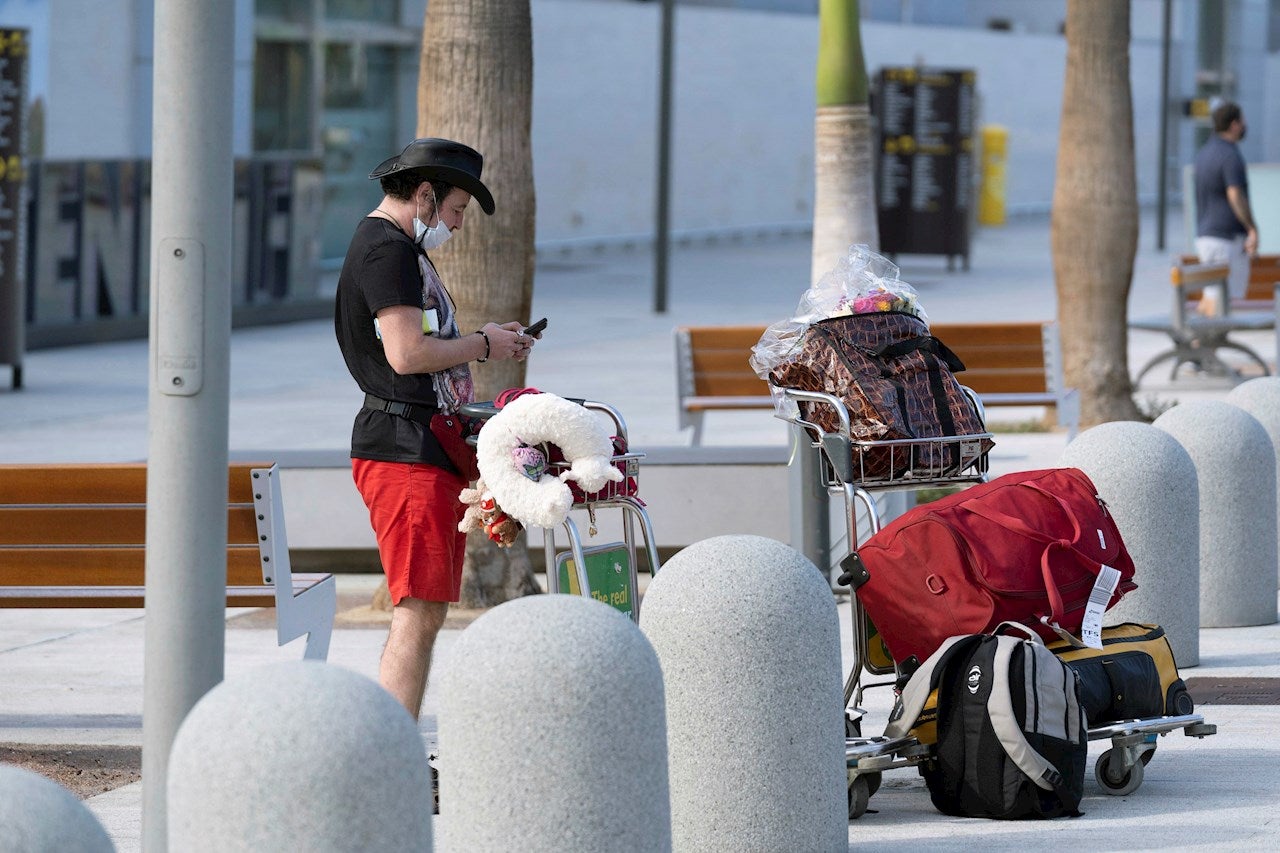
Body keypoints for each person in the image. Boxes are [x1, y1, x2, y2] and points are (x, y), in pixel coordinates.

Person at [334, 137, 535, 719]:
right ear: (424, 194)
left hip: (421, 447)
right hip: (402, 451)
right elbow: (405, 353)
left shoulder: (397, 249)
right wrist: (485, 343)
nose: (457, 225)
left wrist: (482, 338)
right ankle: (395, 754)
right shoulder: (386, 250)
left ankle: (398, 749)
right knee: (417, 609)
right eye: (455, 211)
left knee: (427, 608)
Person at [1193, 100, 1260, 316]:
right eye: (1242, 121)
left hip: (1206, 235)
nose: (1245, 125)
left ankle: (1199, 344)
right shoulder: (1230, 156)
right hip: (1226, 239)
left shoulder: (1204, 153)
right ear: (1234, 125)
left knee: (1213, 294)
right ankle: (1200, 344)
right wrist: (1251, 228)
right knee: (1221, 297)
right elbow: (1234, 194)